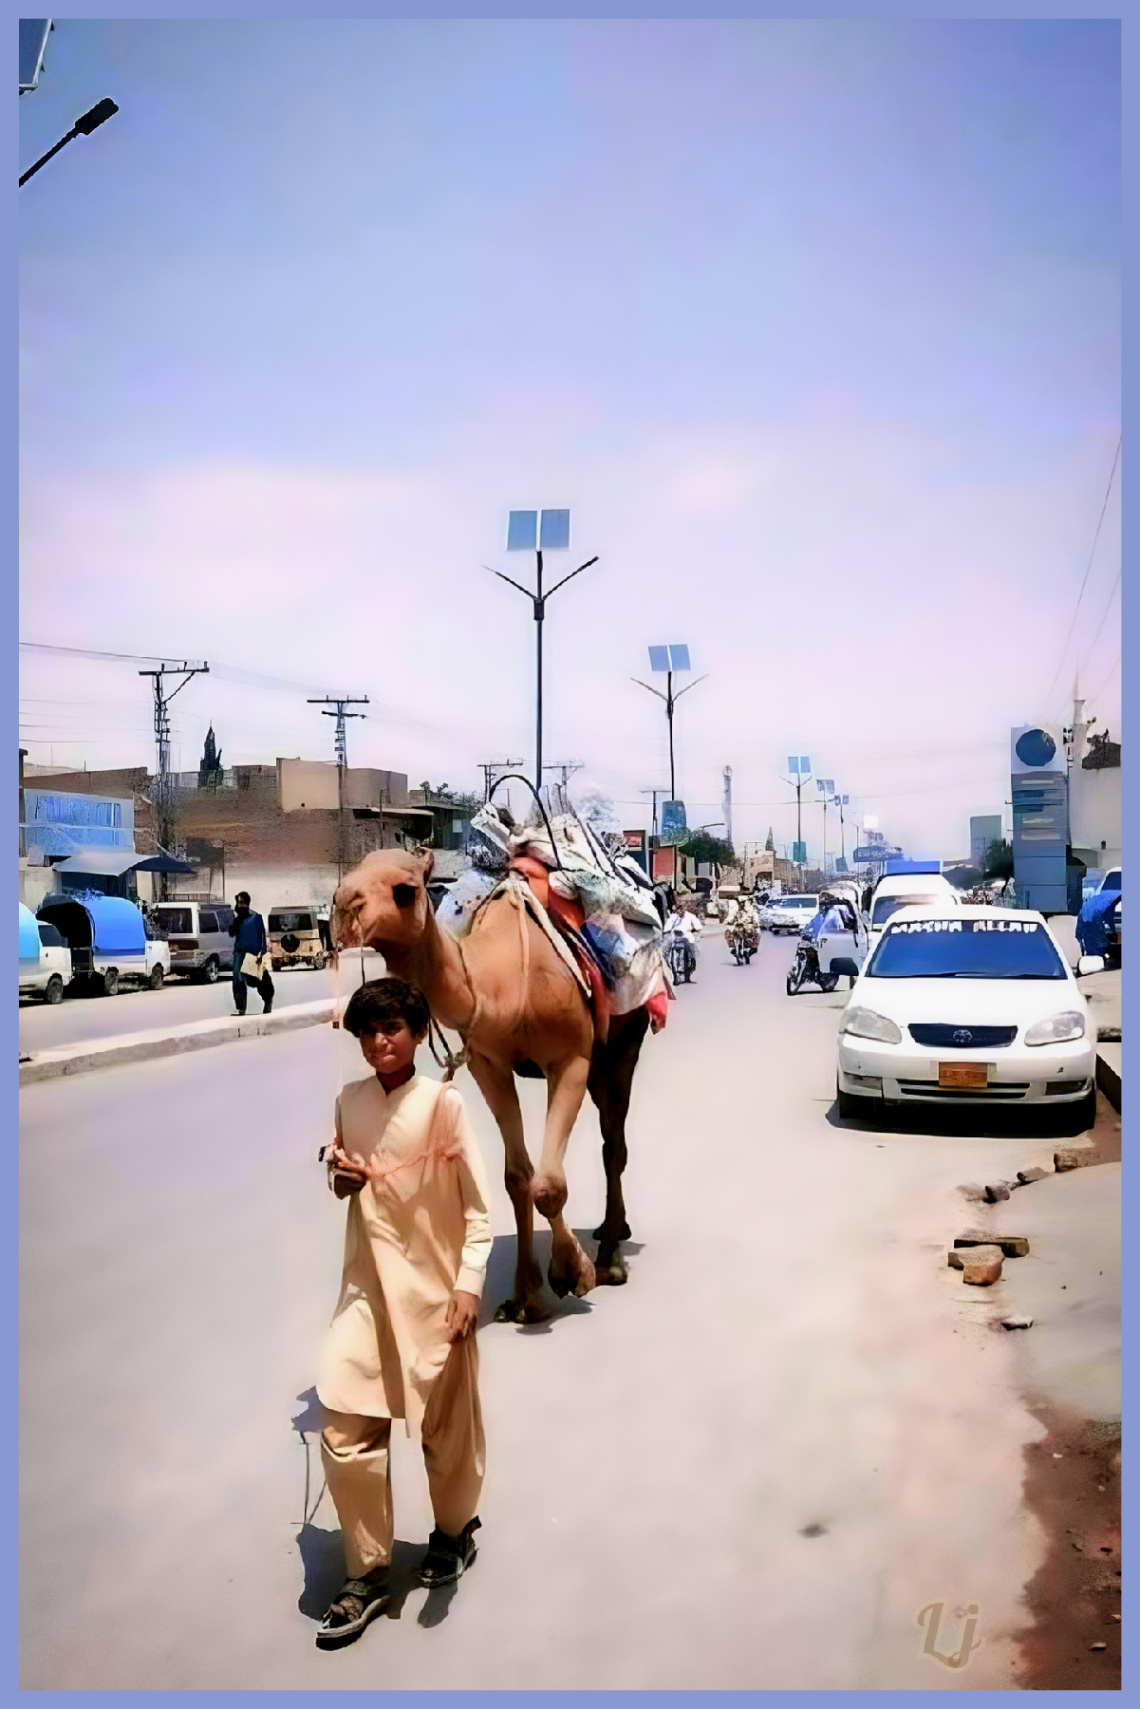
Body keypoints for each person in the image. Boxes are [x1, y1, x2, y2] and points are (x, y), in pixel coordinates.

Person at [315, 977, 492, 1650]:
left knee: (445, 1433)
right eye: (367, 1031)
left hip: (434, 1295)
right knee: (342, 1420)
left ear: (417, 1034)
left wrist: (469, 1284)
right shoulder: (348, 1101)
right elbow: (338, 1172)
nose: (378, 1041)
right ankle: (366, 1570)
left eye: (390, 1028)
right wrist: (339, 1176)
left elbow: (479, 1210)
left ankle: (454, 1531)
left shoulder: (443, 1105)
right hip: (365, 1293)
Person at [228, 890, 274, 1015]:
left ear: (247, 903)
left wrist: (262, 953)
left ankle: (268, 1000)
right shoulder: (238, 920)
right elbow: (231, 933)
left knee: (259, 979)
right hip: (239, 954)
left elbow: (262, 936)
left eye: (242, 902)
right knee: (238, 981)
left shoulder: (256, 917)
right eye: (238, 902)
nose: (240, 905)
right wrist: (234, 922)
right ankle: (240, 1007)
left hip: (253, 955)